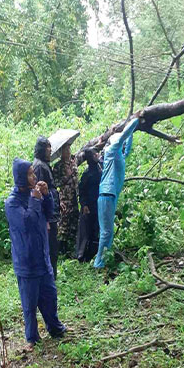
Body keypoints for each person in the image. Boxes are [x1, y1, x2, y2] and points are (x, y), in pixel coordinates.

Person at [4, 158, 66, 350]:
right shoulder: (12, 203)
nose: (35, 176)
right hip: (27, 261)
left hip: (42, 256)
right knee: (29, 303)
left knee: (50, 295)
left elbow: (49, 214)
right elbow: (28, 223)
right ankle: (32, 338)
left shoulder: (35, 194)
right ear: (22, 178)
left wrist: (46, 196)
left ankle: (55, 328)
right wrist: (36, 199)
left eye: (34, 172)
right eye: (31, 173)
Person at [93, 115, 140, 268]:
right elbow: (123, 137)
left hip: (110, 195)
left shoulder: (118, 155)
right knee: (106, 232)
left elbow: (127, 149)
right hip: (106, 194)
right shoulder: (112, 151)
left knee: (109, 232)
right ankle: (98, 264)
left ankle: (104, 261)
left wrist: (133, 132)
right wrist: (136, 119)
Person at [32, 136, 60, 279]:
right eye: (47, 147)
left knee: (53, 247)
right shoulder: (39, 167)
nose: (50, 150)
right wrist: (46, 219)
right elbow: (40, 194)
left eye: (50, 147)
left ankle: (52, 275)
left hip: (51, 212)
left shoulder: (43, 164)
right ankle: (50, 276)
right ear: (41, 149)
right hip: (47, 216)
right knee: (50, 248)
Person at [50, 130, 81, 252]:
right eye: (66, 150)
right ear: (61, 152)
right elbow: (56, 183)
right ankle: (62, 248)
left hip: (74, 197)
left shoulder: (73, 162)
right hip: (64, 198)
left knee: (74, 221)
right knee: (64, 223)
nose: (68, 152)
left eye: (69, 149)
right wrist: (66, 176)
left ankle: (72, 247)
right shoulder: (57, 167)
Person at [75, 147, 101, 262]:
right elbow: (81, 190)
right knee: (86, 231)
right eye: (95, 154)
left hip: (98, 204)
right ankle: (81, 255)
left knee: (95, 229)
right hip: (89, 206)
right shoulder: (87, 173)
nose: (98, 155)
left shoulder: (99, 168)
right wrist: (84, 205)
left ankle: (92, 253)